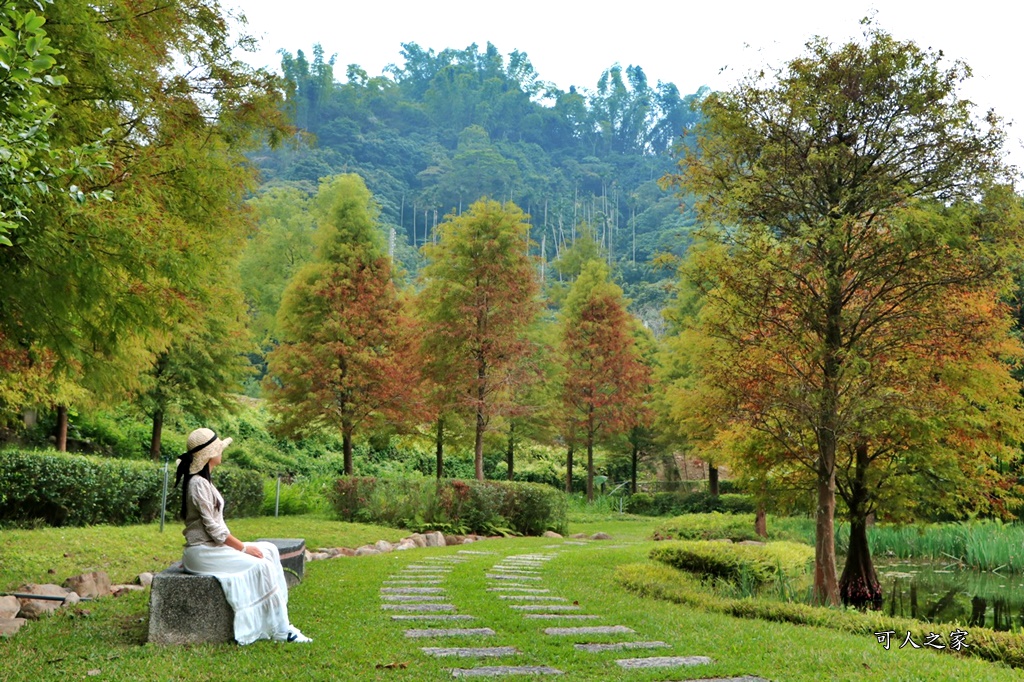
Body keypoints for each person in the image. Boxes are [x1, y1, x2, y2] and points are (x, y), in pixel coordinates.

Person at [175, 427, 312, 645]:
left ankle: (279, 620)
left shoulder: (204, 481)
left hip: (211, 547)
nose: (222, 452)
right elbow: (215, 530)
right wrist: (243, 548)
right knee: (261, 565)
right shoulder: (198, 484)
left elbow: (216, 528)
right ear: (209, 454)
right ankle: (282, 630)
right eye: (218, 449)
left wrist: (241, 547)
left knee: (269, 550)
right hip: (204, 551)